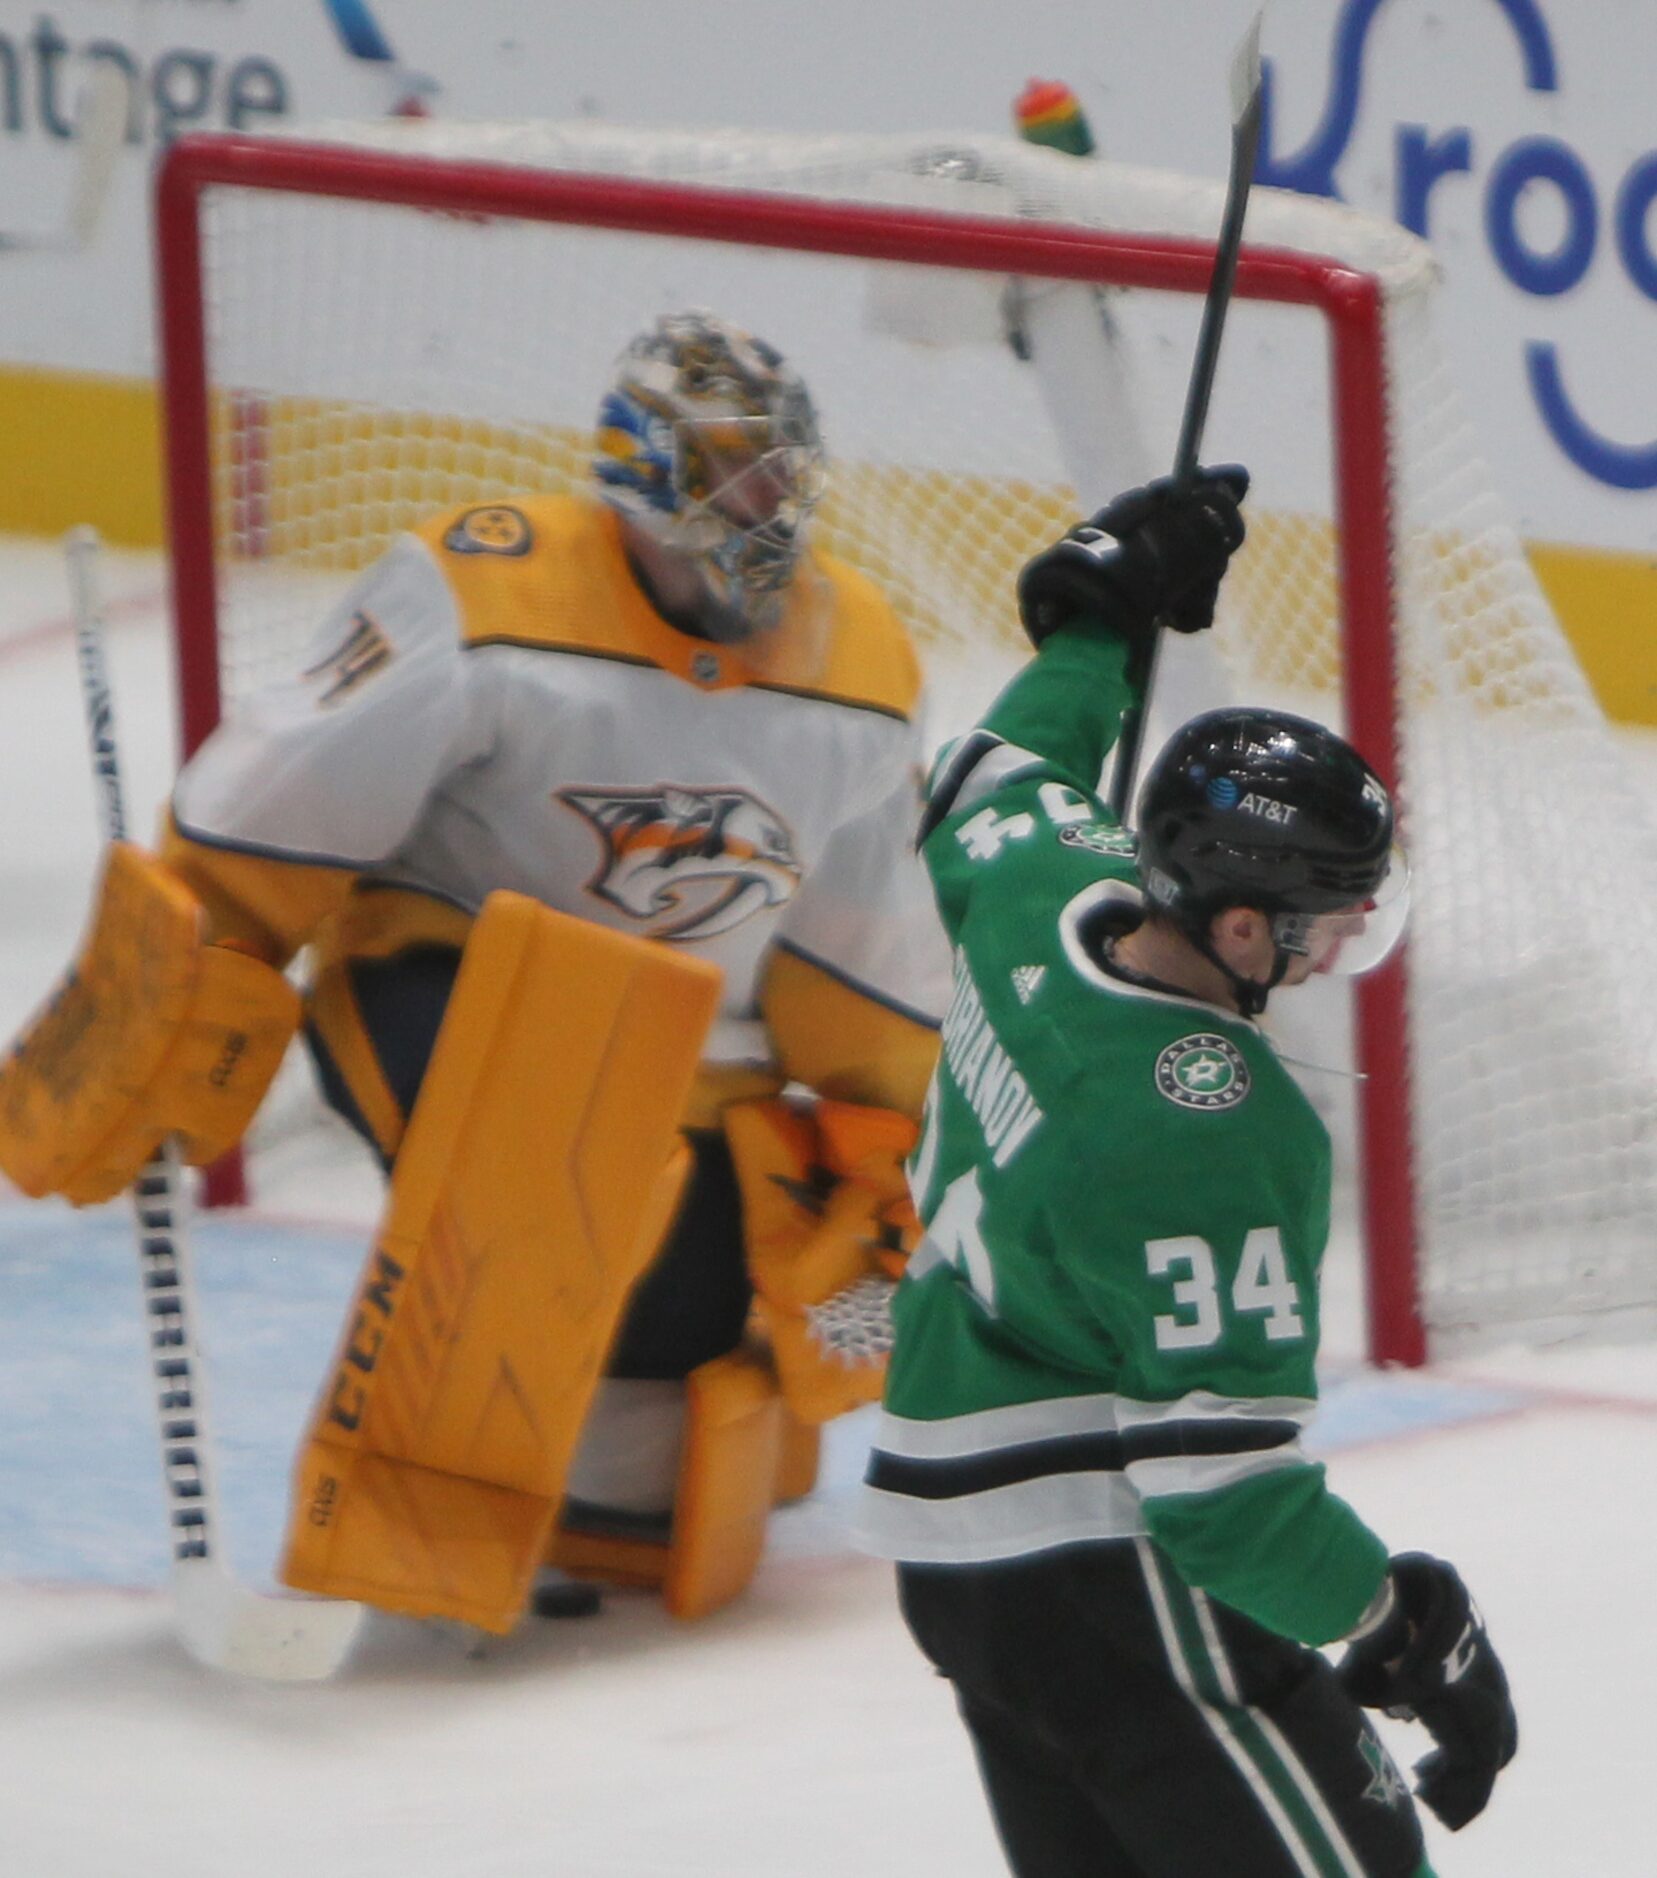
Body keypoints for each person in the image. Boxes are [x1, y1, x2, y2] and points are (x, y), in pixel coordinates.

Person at [0, 310, 948, 1628]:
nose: (759, 506)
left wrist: (878, 1120)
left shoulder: (864, 663)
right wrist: (192, 961)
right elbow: (290, 788)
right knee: (544, 1153)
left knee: (693, 1297)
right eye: (729, 475)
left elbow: (861, 938)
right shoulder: (486, 587)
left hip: (692, 1048)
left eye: (776, 474)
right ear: (640, 480)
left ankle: (607, 1497)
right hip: (447, 972)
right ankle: (411, 1511)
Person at [856, 468, 1517, 1876]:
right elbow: (1217, 1499)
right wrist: (1389, 1612)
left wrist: (1096, 613)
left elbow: (992, 777)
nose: (1339, 947)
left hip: (953, 1545)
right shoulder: (1204, 1129)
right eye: (1321, 922)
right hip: (1100, 1569)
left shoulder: (1049, 878)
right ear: (1231, 927)